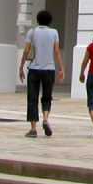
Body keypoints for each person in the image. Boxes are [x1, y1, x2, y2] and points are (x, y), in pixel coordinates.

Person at [18, 9, 63, 138]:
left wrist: (21, 67)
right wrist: (61, 69)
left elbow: (26, 51)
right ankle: (45, 119)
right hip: (49, 69)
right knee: (47, 97)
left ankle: (33, 129)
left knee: (32, 98)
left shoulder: (32, 32)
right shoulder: (54, 32)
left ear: (38, 20)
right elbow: (57, 51)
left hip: (34, 70)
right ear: (50, 21)